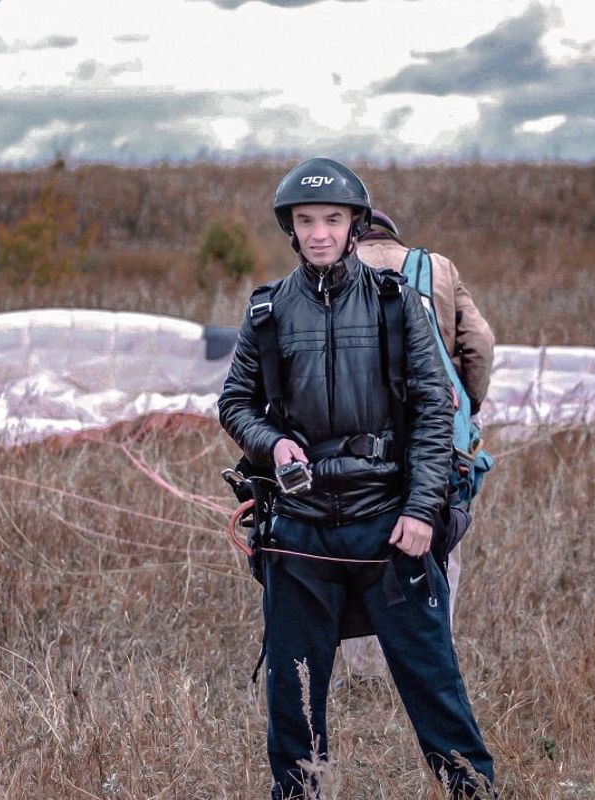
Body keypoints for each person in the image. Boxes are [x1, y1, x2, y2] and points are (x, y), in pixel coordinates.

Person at [218, 157, 495, 799]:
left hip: (389, 530)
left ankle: (473, 791)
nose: (319, 232)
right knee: (295, 704)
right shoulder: (267, 312)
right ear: (291, 229)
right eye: (306, 220)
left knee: (434, 688)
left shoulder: (398, 306)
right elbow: (234, 403)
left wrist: (423, 512)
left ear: (354, 226)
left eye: (333, 220)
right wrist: (274, 441)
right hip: (299, 536)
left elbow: (435, 405)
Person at [342, 209, 495, 678]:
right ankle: (429, 662)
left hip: (355, 441)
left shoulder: (329, 272)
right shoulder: (437, 270)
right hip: (439, 438)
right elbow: (480, 344)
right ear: (393, 236)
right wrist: (466, 404)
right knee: (440, 539)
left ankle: (363, 671)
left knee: (354, 545)